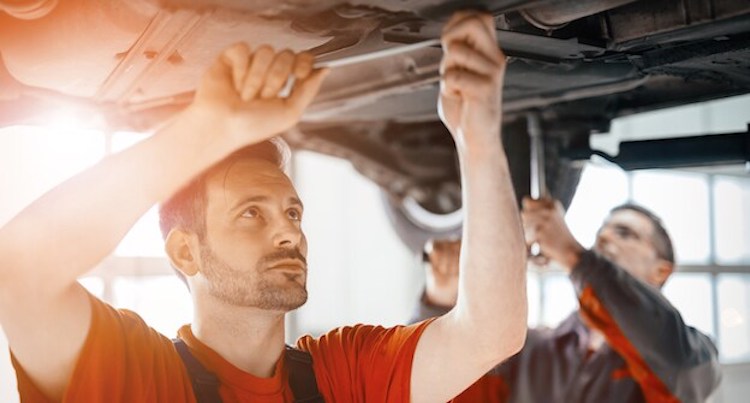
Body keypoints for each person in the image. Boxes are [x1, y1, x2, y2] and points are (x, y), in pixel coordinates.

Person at [0, 10, 528, 403]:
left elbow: (491, 332)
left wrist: (477, 139)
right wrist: (207, 128)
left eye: (293, 213)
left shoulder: (341, 375)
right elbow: (20, 271)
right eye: (251, 212)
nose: (289, 233)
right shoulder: (140, 378)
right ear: (186, 252)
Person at [412, 198, 722, 402]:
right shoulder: (525, 349)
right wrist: (441, 298)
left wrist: (575, 256)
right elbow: (431, 385)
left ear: (661, 271)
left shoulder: (692, 355)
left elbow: (680, 369)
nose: (604, 238)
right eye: (601, 231)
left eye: (625, 233)